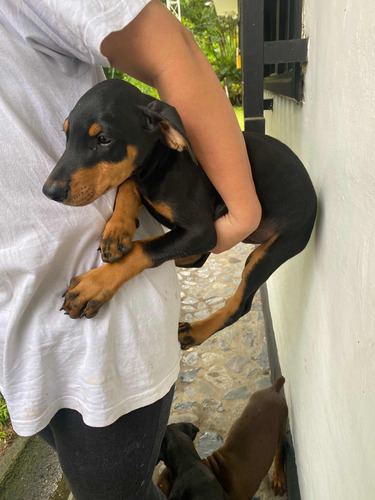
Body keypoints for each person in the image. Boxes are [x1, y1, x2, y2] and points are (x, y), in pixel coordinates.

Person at [0, 1, 261, 498]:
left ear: (165, 131)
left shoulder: (162, 144)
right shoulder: (134, 169)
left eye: (99, 142)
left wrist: (243, 214)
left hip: (101, 339)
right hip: (20, 336)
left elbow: (168, 45)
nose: (59, 179)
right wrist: (126, 195)